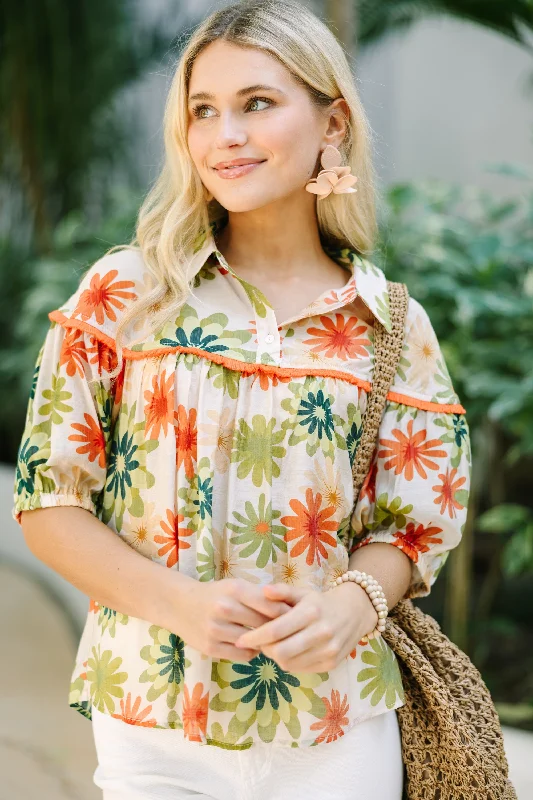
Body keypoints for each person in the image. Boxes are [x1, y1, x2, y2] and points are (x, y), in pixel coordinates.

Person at [12, 1, 471, 798]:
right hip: (152, 725)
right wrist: (180, 605)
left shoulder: (388, 324)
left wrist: (353, 606)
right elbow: (48, 500)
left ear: (331, 123)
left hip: (335, 729)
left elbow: (412, 523)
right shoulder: (126, 294)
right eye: (202, 110)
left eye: (256, 103)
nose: (224, 135)